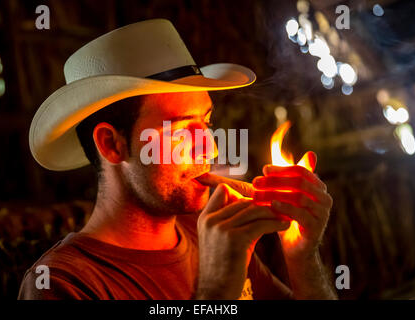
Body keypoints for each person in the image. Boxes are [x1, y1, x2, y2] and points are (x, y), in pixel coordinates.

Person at [18, 19, 336, 300]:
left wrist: (302, 256)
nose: (210, 150)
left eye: (207, 123)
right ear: (112, 144)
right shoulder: (63, 283)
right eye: (182, 131)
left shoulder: (210, 235)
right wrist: (216, 292)